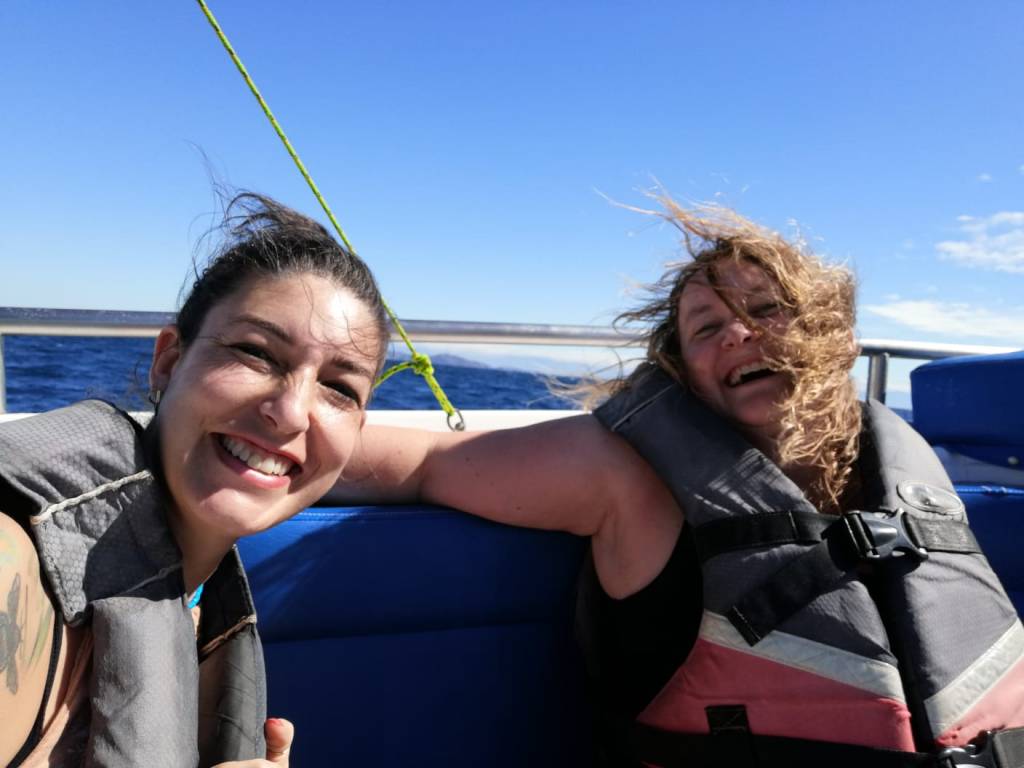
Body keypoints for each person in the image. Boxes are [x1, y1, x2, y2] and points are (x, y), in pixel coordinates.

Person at [338, 197, 1024, 766]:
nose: (736, 333)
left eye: (766, 309)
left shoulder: (911, 473)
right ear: (685, 373)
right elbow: (425, 463)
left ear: (837, 335)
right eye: (706, 327)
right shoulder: (627, 479)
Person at [0, 192, 390, 767]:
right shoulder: (13, 568)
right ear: (168, 361)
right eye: (256, 352)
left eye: (339, 388)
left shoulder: (198, 603)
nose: (290, 413)